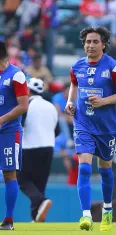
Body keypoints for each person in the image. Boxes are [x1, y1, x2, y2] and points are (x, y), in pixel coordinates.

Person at [65, 27, 116, 231]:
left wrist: (103, 101)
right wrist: (70, 101)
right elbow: (74, 85)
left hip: (106, 127)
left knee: (105, 169)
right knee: (84, 166)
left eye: (95, 42)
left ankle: (107, 210)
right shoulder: (77, 66)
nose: (90, 45)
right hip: (83, 124)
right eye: (87, 41)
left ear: (103, 44)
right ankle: (86, 215)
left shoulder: (113, 67)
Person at [18, 78, 58, 223]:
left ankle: (41, 201)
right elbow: (57, 130)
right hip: (49, 148)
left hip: (29, 147)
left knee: (20, 178)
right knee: (40, 184)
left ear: (27, 90)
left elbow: (19, 125)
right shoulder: (51, 106)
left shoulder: (26, 105)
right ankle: (36, 217)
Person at [0, 41, 29, 231]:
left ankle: (9, 219)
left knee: (9, 173)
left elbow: (23, 106)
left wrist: (2, 119)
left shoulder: (16, 75)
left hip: (9, 131)